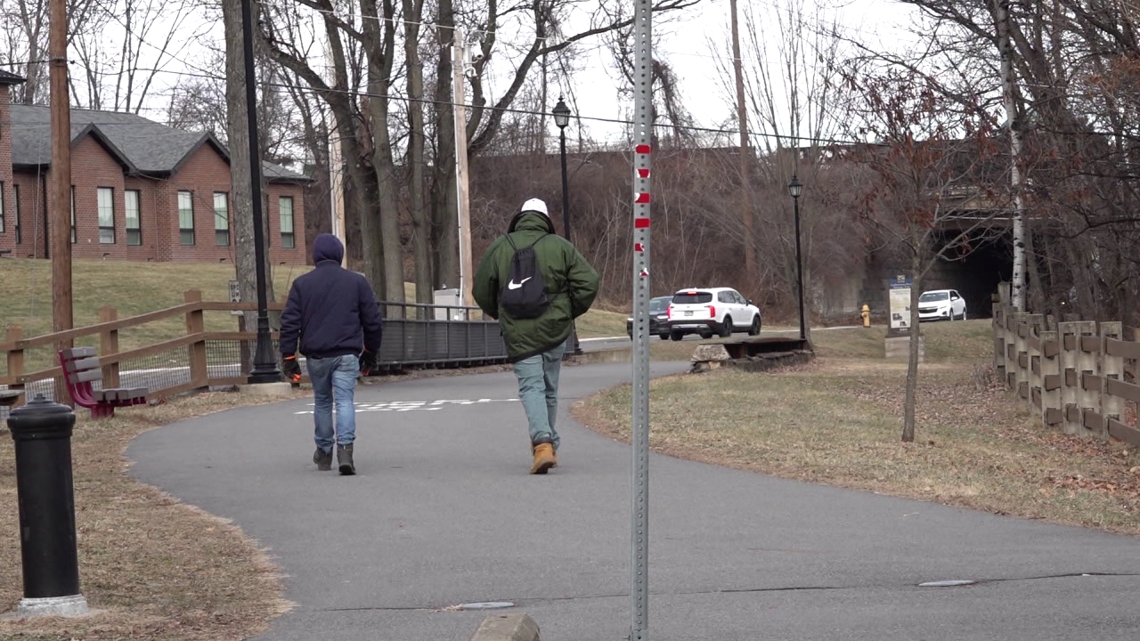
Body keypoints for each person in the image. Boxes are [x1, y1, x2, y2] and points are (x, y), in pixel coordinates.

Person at [473, 198, 599, 474]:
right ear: (545, 219)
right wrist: (568, 311)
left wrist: (500, 312)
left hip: (518, 329)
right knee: (549, 387)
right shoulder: (560, 246)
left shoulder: (500, 246)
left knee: (532, 387)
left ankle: (542, 444)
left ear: (520, 218)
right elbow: (588, 282)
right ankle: (549, 444)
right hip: (554, 328)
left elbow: (481, 289)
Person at [280, 233, 383, 476]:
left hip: (317, 355)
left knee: (323, 401)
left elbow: (290, 323)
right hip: (346, 354)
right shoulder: (357, 282)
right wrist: (370, 352)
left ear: (316, 256)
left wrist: (288, 356)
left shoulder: (302, 285)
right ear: (339, 255)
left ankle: (324, 451)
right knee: (345, 401)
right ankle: (345, 451)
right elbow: (373, 321)